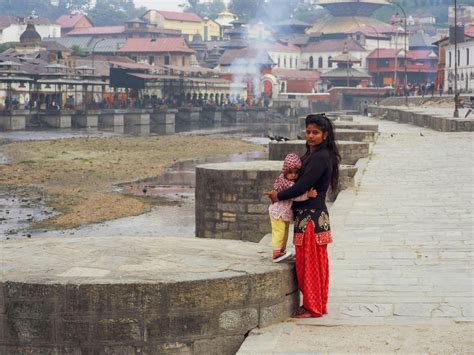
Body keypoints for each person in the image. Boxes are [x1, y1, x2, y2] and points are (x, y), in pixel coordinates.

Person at [265, 113, 341, 318]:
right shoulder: (311, 155)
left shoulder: (321, 157)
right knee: (308, 263)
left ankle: (313, 307)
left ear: (325, 134)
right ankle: (316, 304)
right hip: (307, 217)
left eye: (315, 132)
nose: (310, 136)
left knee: (311, 265)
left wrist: (278, 196)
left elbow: (302, 186)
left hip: (312, 219)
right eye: (308, 132)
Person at [268, 153, 317, 263]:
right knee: (279, 232)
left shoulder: (288, 180)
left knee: (285, 232)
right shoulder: (287, 183)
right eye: (290, 173)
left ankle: (282, 252)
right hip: (278, 212)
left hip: (283, 213)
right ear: (285, 171)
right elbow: (295, 195)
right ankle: (276, 253)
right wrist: (308, 195)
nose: (293, 175)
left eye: (296, 173)